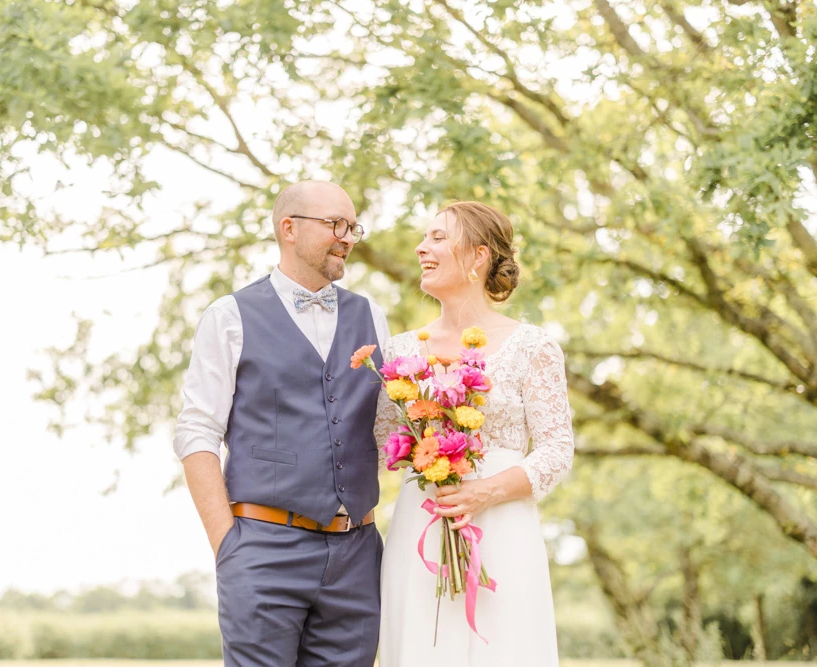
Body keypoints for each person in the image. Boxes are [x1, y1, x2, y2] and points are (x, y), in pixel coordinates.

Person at [173, 180, 390, 666]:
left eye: (352, 226)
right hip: (262, 550)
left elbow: (387, 426)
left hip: (358, 554)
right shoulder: (229, 316)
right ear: (288, 229)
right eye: (335, 224)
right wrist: (228, 546)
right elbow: (196, 432)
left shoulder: (372, 314)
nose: (348, 237)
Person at [377, 201, 574, 666]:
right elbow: (381, 442)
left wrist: (483, 492)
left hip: (503, 528)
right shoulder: (401, 351)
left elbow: (558, 449)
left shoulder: (532, 346)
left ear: (478, 256)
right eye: (424, 238)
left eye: (438, 238)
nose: (421, 248)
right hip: (421, 523)